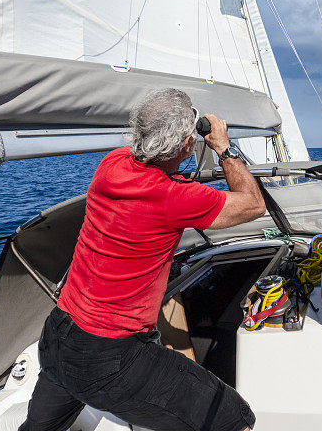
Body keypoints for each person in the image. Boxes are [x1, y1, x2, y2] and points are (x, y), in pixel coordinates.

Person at [20, 88, 263, 431]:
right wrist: (223, 146)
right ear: (184, 145)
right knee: (233, 418)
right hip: (110, 358)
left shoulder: (111, 164)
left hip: (59, 336)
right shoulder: (176, 197)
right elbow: (253, 204)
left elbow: (156, 174)